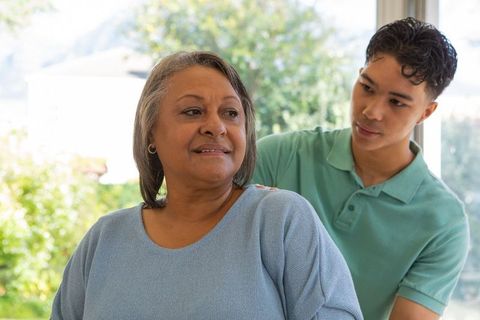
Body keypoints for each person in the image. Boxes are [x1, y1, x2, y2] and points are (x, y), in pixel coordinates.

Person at [51, 51, 363, 319]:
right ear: (151, 134)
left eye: (231, 113)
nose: (216, 126)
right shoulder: (104, 240)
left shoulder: (281, 221)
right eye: (193, 111)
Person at [252, 17, 470, 320]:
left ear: (426, 112)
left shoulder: (444, 223)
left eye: (397, 102)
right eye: (367, 87)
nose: (371, 111)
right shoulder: (280, 156)